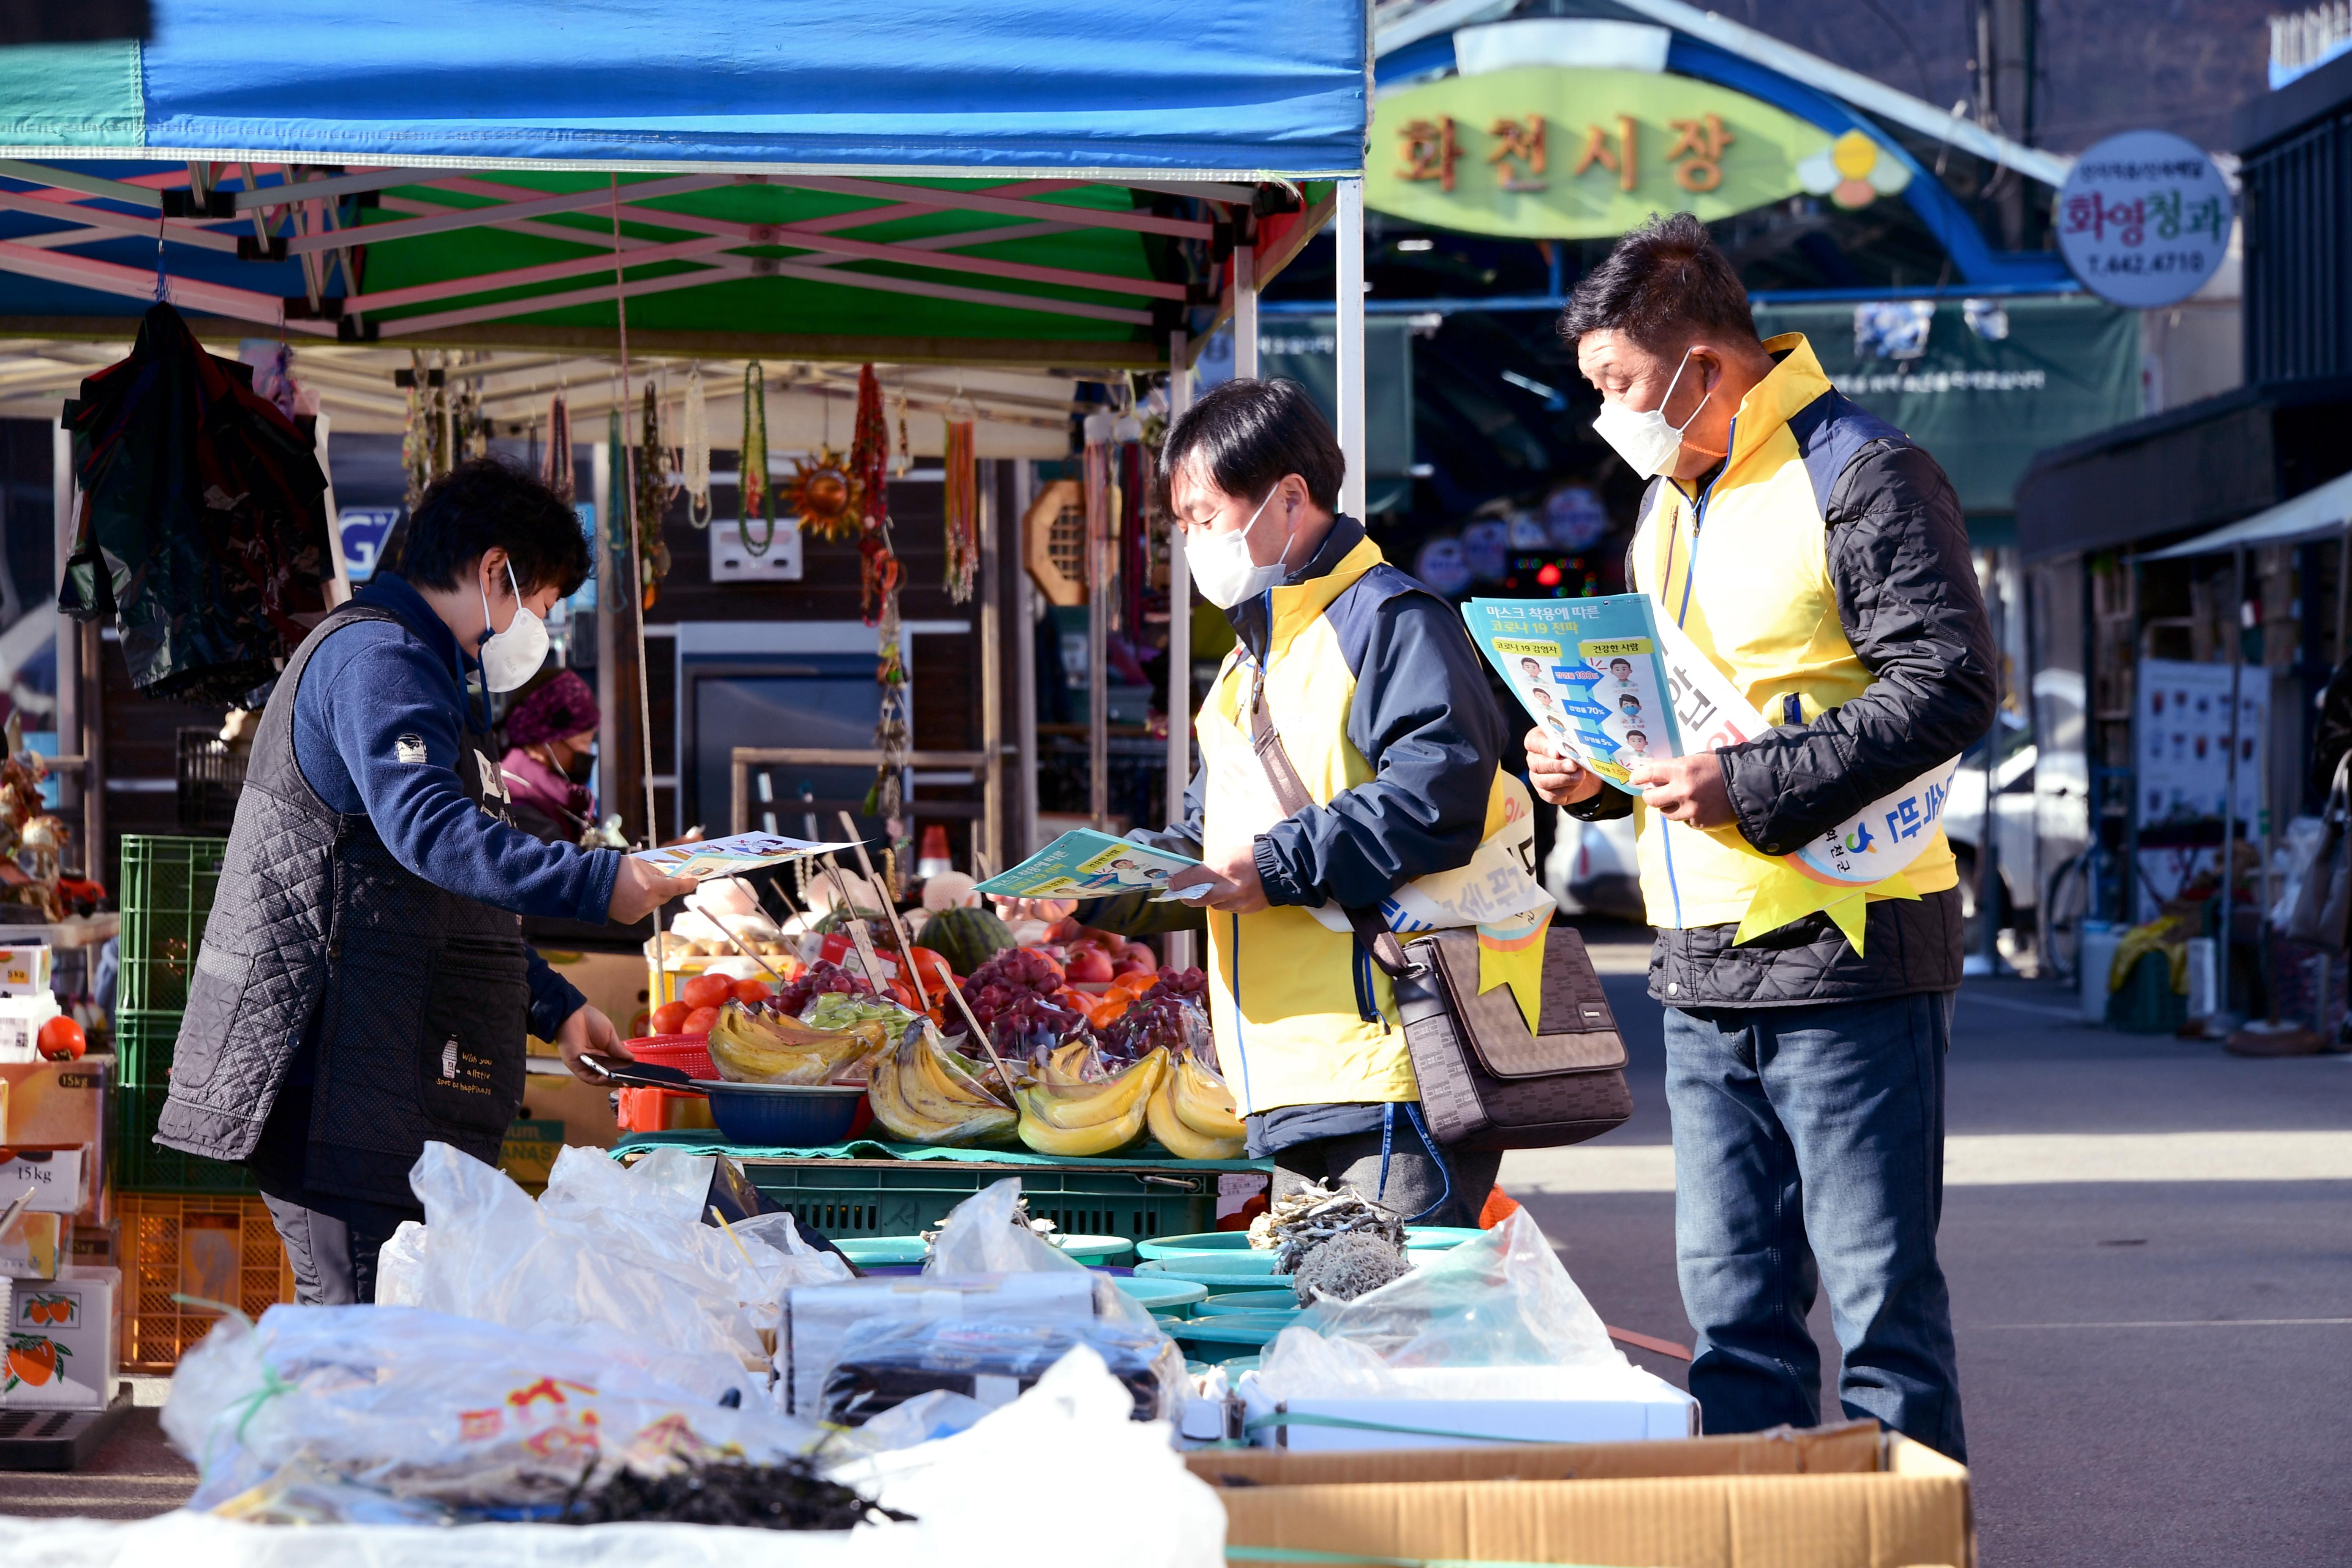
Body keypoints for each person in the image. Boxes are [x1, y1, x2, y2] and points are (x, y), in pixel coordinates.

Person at [1528, 214, 1993, 1460]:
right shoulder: (1666, 506)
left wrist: (1747, 782)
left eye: (1617, 384)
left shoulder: (1863, 470)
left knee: (1879, 1304)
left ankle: (1911, 1545)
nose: (1606, 414)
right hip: (1698, 961)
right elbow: (1674, 725)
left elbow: (1947, 685)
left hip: (1849, 950)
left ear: (1704, 367)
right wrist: (1593, 778)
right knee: (1731, 1315)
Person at [998, 378, 1546, 1226]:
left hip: (1397, 1056)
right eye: (1181, 523)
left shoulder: (1391, 620)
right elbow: (1202, 835)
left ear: (1289, 499)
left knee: (1384, 1329)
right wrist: (1092, 888)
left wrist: (1276, 863)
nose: (1192, 541)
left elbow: (1439, 790)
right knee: (1332, 1329)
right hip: (1292, 1073)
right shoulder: (1247, 666)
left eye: (1205, 514)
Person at [156, 459, 697, 1305]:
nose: (538, 629)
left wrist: (556, 1007)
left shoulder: (425, 668)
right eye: (543, 603)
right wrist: (603, 882)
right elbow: (430, 833)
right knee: (361, 1346)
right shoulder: (379, 659)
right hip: (342, 1088)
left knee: (389, 1346)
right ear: (493, 572)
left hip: (388, 1077)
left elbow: (437, 896)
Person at [500, 667, 601, 844]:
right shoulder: (519, 806)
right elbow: (569, 869)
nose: (587, 752)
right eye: (584, 741)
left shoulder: (548, 799)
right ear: (541, 745)